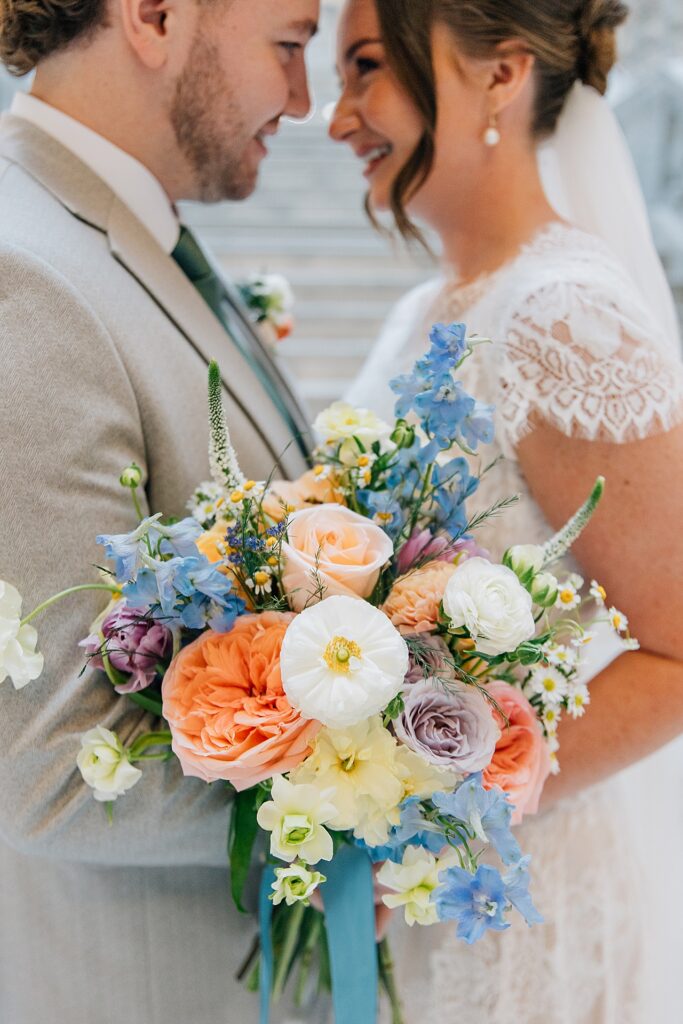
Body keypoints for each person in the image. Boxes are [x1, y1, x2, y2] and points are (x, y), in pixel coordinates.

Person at [331, 0, 683, 1021]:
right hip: (425, 904)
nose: (335, 113)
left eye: (365, 68)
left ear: (499, 73)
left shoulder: (559, 315)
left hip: (524, 905)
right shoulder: (427, 309)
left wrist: (420, 805)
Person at [0, 0, 321, 1022]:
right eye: (290, 44)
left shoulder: (129, 230)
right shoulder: (29, 275)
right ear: (152, 14)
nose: (306, 100)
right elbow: (53, 766)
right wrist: (375, 781)